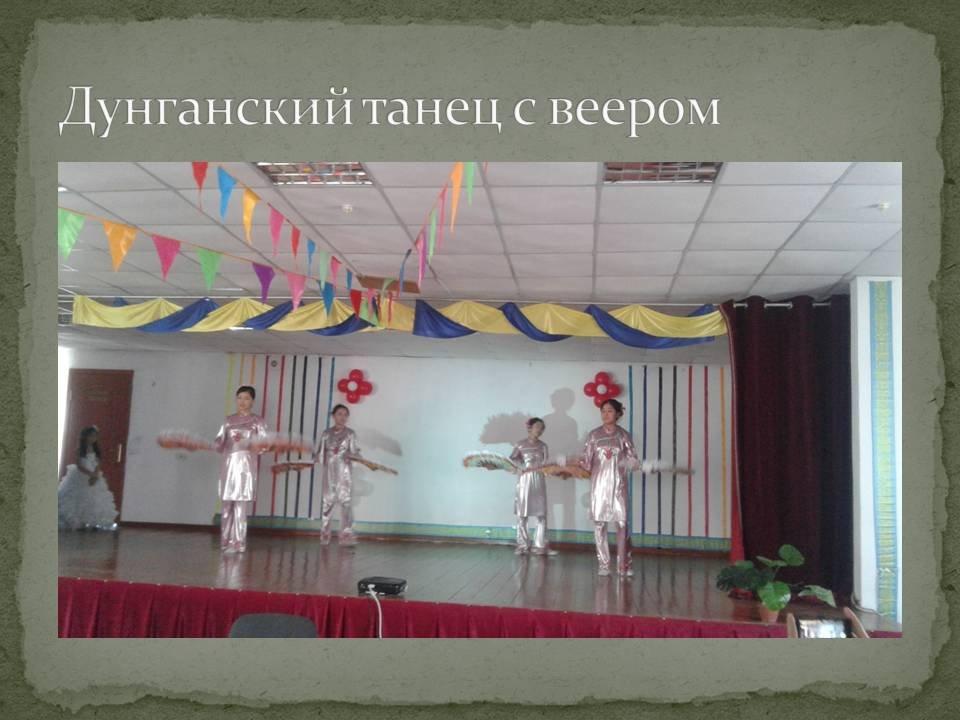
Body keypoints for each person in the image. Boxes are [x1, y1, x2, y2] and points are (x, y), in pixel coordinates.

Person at [580, 399, 639, 577]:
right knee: (600, 524)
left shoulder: (624, 435)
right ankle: (604, 564)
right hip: (599, 487)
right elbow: (586, 463)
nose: (606, 414)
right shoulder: (593, 435)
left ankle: (623, 565)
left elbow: (633, 459)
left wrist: (633, 463)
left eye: (610, 411)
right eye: (603, 411)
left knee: (622, 524)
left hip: (619, 486)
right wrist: (569, 466)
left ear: (618, 414)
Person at [213, 385, 267, 553]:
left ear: (252, 401)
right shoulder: (228, 420)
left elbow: (264, 445)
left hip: (245, 466)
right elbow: (219, 443)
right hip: (229, 466)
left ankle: (238, 543)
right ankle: (225, 542)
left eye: (247, 398)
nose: (242, 401)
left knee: (240, 507)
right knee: (227, 505)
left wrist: (250, 444)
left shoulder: (258, 421)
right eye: (240, 398)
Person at [314, 404, 361, 546]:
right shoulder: (326, 433)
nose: (343, 417)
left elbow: (355, 453)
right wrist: (310, 461)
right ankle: (325, 535)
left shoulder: (350, 433)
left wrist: (353, 456)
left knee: (345, 503)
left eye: (345, 414)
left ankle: (346, 536)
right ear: (333, 416)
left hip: (344, 473)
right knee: (327, 503)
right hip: (329, 472)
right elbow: (320, 454)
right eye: (340, 414)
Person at [509, 417, 557, 556]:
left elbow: (546, 464)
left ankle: (540, 546)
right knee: (522, 515)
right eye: (537, 427)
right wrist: (519, 467)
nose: (540, 430)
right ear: (529, 428)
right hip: (524, 482)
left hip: (539, 481)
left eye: (542, 428)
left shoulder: (543, 446)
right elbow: (512, 461)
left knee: (541, 515)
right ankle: (522, 545)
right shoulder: (520, 445)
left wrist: (557, 469)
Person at [58, 426, 119, 530]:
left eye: (95, 436)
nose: (93, 438)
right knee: (79, 498)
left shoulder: (96, 450)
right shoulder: (80, 450)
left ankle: (92, 522)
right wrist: (89, 474)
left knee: (93, 498)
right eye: (90, 436)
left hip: (94, 475)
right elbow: (79, 465)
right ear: (85, 437)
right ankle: (77, 522)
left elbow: (98, 463)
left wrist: (95, 474)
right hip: (81, 475)